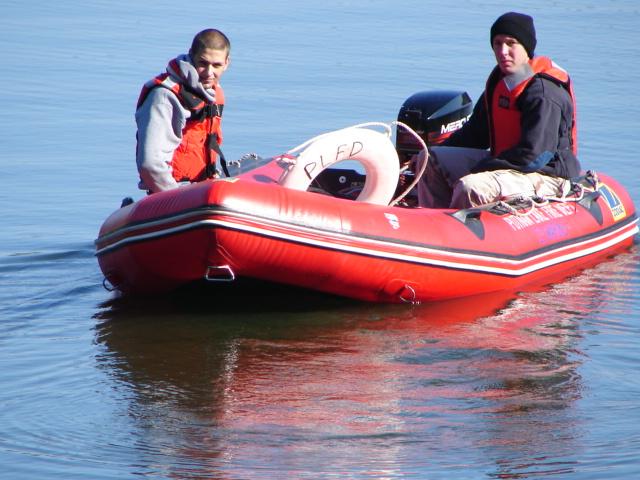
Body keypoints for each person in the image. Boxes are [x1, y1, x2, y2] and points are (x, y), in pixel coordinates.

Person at [418, 12, 581, 209]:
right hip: (506, 164)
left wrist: (485, 168)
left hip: (545, 175)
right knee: (428, 160)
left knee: (472, 186)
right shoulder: (501, 81)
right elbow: (475, 134)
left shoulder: (544, 93)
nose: (503, 51)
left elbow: (534, 156)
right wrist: (429, 151)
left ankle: (459, 231)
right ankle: (431, 220)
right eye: (497, 43)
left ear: (526, 47)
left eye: (511, 43)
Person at [135, 29, 231, 194]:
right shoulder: (165, 96)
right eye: (203, 63)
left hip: (202, 190)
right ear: (191, 56)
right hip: (174, 195)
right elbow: (151, 163)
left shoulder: (212, 92)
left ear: (226, 63)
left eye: (216, 65)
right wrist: (177, 198)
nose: (209, 73)